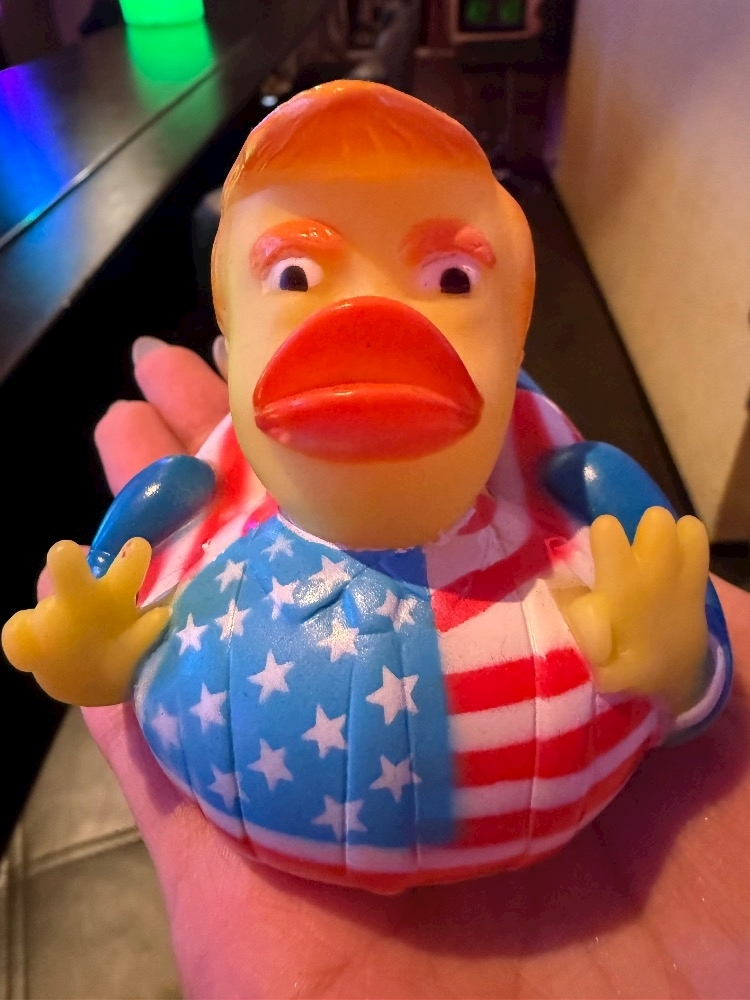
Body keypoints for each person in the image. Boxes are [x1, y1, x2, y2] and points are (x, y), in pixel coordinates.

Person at [68, 334, 749, 999]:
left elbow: (693, 686)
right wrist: (104, 644)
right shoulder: (213, 504)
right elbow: (123, 594)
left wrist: (673, 659)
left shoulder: (561, 479)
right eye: (294, 279)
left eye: (452, 281)